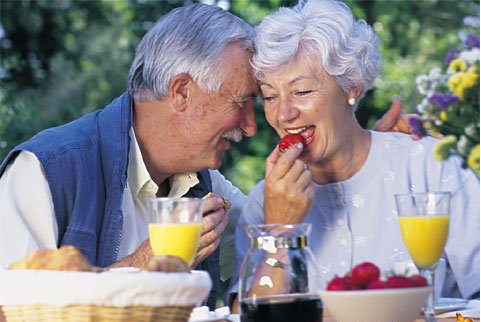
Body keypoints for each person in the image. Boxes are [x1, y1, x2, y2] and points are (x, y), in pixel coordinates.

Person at [0, 1, 413, 309]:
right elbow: (11, 310)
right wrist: (146, 262)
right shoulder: (45, 170)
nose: (252, 126)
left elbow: (273, 234)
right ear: (182, 92)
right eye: (245, 101)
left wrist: (358, 154)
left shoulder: (208, 187)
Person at [228, 0, 480, 309]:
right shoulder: (263, 204)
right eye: (269, 96)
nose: (284, 114)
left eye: (302, 91)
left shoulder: (431, 168)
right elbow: (247, 316)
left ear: (352, 87)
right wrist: (279, 232)